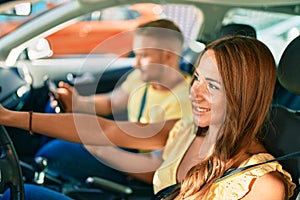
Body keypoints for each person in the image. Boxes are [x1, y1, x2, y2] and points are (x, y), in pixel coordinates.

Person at [0, 36, 296, 199]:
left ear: (243, 96)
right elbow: (104, 129)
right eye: (197, 79)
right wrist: (11, 117)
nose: (195, 94)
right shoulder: (186, 130)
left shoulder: (262, 185)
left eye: (213, 86)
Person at [34, 18, 193, 186]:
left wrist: (97, 147)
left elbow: (156, 169)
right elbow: (112, 102)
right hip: (129, 148)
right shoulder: (142, 79)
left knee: (54, 152)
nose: (135, 63)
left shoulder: (185, 102)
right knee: (54, 111)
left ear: (169, 56)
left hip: (139, 170)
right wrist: (77, 103)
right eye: (135, 54)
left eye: (143, 55)